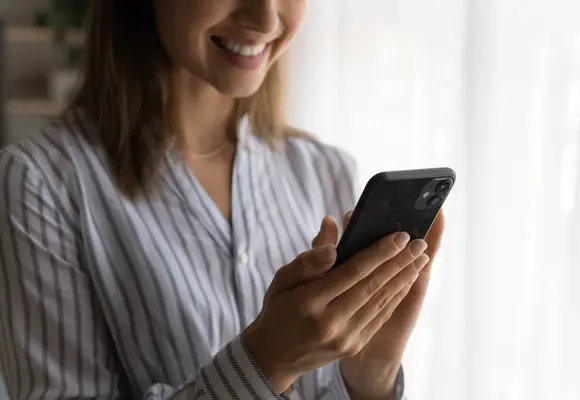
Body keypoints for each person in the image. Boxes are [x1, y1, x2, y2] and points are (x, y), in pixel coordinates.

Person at [0, 1, 445, 399]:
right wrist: (267, 363)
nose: (267, 17)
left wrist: (369, 379)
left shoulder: (325, 171)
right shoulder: (40, 183)